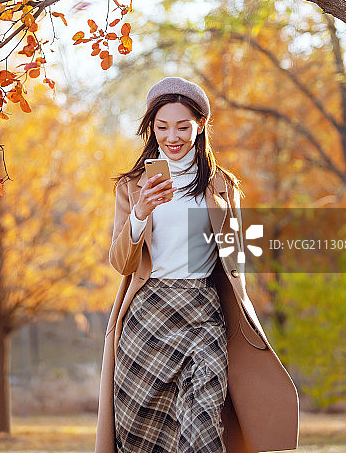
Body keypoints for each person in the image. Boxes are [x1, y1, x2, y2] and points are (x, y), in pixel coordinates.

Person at [95, 76, 299, 453]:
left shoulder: (223, 186)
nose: (172, 137)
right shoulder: (132, 186)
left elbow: (237, 260)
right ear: (151, 129)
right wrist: (141, 212)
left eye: (182, 127)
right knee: (140, 436)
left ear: (200, 125)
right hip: (147, 319)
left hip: (203, 315)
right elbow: (121, 263)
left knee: (204, 429)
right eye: (162, 127)